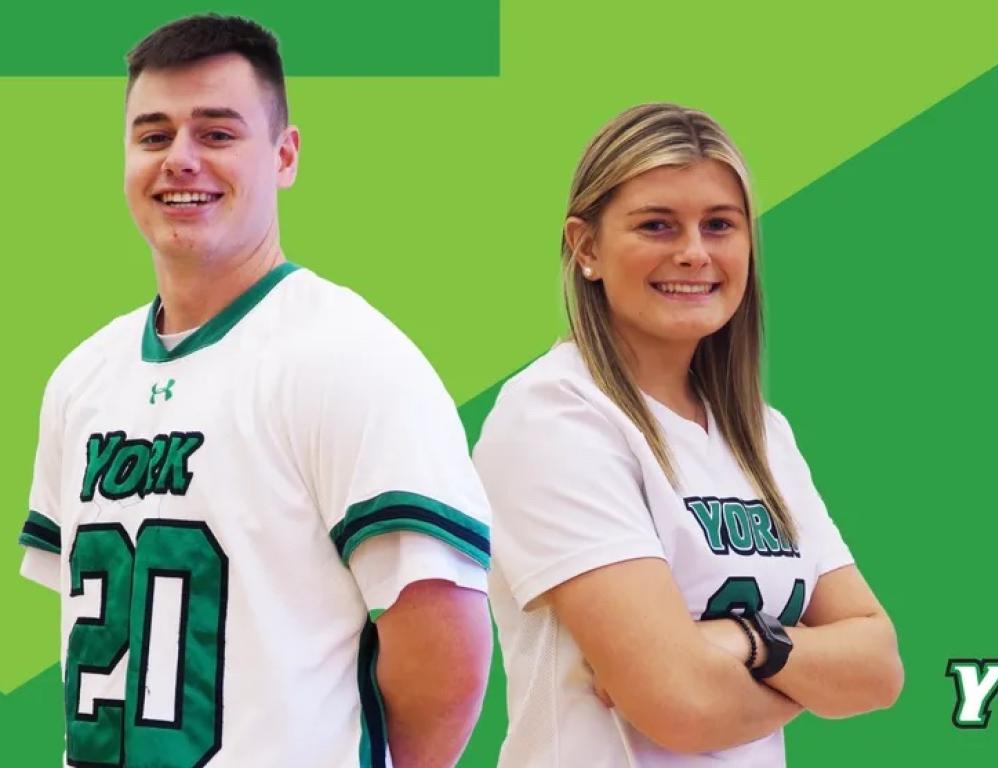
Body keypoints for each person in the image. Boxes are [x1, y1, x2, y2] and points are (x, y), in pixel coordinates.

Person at [15, 14, 492, 768]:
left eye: (216, 133)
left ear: (285, 154)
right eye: (153, 135)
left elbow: (447, 656)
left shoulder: (352, 358)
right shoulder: (82, 379)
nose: (181, 160)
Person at [473, 103, 904, 766]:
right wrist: (809, 679)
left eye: (720, 225)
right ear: (586, 247)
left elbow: (879, 666)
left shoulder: (761, 434)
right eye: (657, 225)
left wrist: (747, 643)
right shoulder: (555, 416)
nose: (694, 253)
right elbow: (681, 706)